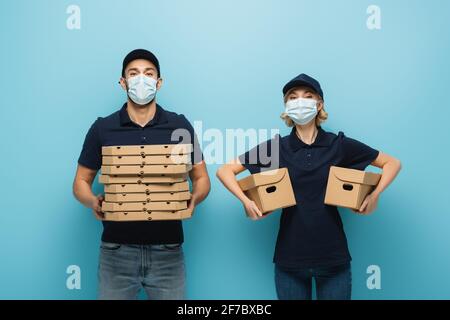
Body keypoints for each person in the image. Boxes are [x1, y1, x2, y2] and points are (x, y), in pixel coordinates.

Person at [216, 73, 401, 300]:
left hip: (334, 260)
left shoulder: (338, 145)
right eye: (292, 98)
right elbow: (224, 171)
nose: (300, 102)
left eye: (308, 96)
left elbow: (392, 163)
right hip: (289, 261)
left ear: (319, 103)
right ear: (286, 106)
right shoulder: (276, 148)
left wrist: (375, 196)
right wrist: (246, 201)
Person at [73, 49, 210, 300]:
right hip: (116, 251)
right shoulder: (103, 127)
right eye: (133, 74)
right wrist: (93, 201)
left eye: (148, 74)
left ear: (159, 82)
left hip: (168, 251)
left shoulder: (179, 126)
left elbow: (201, 178)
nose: (141, 79)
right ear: (123, 82)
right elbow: (81, 182)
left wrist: (194, 199)